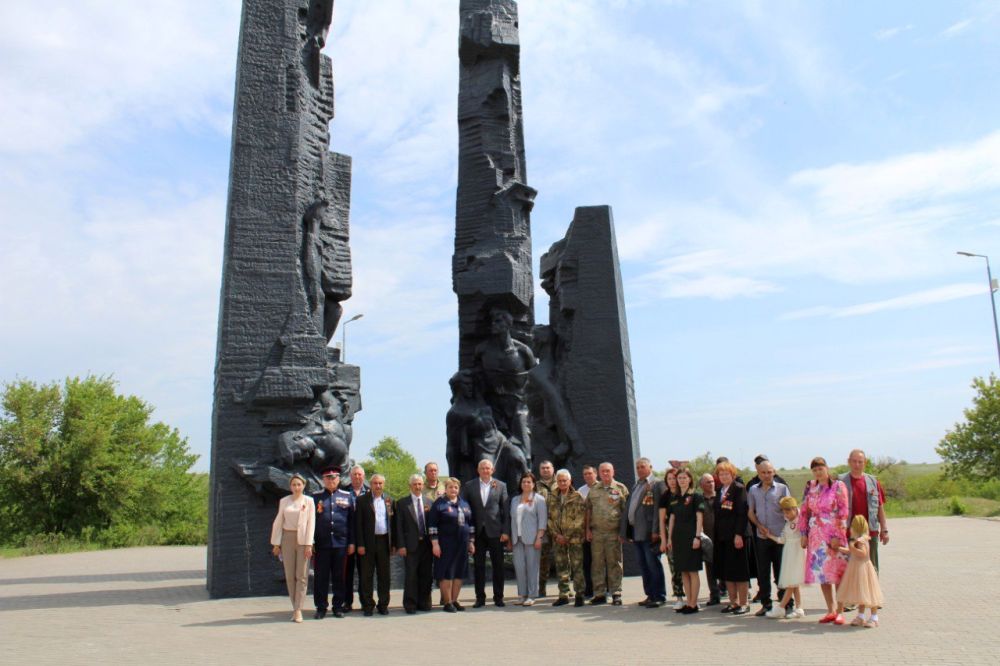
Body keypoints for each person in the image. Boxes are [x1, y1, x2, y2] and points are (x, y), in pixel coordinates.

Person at [799, 456, 850, 625]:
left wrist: (839, 536)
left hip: (834, 534)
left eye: (820, 468)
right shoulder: (811, 487)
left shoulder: (838, 486)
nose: (818, 472)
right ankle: (830, 610)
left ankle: (841, 611)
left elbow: (843, 512)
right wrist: (803, 533)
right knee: (823, 575)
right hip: (816, 536)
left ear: (827, 468)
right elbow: (804, 511)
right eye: (814, 470)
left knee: (837, 573)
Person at [462, 459, 510, 607]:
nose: (485, 470)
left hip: (495, 531)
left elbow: (506, 511)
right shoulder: (470, 486)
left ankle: (498, 597)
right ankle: (480, 598)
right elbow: (465, 509)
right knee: (479, 566)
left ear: (492, 470)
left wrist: (506, 531)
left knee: (498, 566)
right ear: (478, 470)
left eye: (488, 468)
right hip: (477, 532)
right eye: (482, 468)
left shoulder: (501, 486)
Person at [269, 474, 315, 623]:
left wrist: (309, 544)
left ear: (303, 486)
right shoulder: (284, 501)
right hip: (287, 538)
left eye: (299, 484)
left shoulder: (309, 501)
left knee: (301, 575)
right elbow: (278, 522)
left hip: (303, 540)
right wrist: (276, 543)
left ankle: (298, 609)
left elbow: (311, 524)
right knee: (289, 575)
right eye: (294, 485)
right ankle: (294, 607)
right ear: (290, 486)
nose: (296, 487)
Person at [747, 460, 791, 616]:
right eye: (763, 472)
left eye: (769, 472)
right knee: (763, 572)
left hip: (779, 537)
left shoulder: (782, 489)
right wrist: (759, 526)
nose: (766, 475)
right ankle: (766, 603)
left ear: (774, 472)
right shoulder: (753, 490)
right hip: (762, 537)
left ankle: (786, 603)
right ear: (758, 473)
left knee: (781, 572)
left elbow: (790, 511)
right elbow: (751, 512)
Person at [311, 467, 355, 619]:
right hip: (322, 544)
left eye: (334, 477)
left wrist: (351, 543)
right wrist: (311, 542)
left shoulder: (347, 496)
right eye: (328, 477)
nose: (331, 480)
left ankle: (338, 606)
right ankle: (321, 607)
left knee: (339, 577)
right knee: (320, 577)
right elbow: (311, 522)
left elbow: (352, 522)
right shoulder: (315, 497)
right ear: (323, 480)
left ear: (339, 479)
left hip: (341, 544)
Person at [585, 462, 629, 605]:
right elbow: (588, 510)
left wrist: (623, 532)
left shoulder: (620, 488)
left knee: (614, 562)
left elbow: (626, 513)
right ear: (598, 473)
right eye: (602, 471)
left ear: (613, 471)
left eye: (607, 471)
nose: (605, 473)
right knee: (597, 564)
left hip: (613, 533)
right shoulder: (593, 489)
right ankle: (599, 593)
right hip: (597, 533)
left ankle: (616, 592)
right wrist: (587, 530)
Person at [429, 477, 475, 612]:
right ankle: (447, 602)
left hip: (462, 544)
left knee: (459, 573)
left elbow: (470, 524)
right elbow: (432, 525)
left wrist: (471, 542)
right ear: (446, 489)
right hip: (445, 544)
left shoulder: (464, 504)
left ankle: (455, 600)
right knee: (446, 573)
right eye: (450, 487)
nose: (453, 490)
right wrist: (435, 544)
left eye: (456, 487)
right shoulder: (439, 504)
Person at [840, 449, 889, 573]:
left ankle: (872, 592)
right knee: (849, 570)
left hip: (870, 532)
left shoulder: (873, 482)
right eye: (854, 461)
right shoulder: (840, 482)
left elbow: (880, 507)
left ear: (865, 462)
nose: (857, 465)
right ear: (849, 462)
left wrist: (884, 529)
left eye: (860, 462)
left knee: (871, 568)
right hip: (848, 532)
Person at [627, 457, 667, 608]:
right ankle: (650, 594)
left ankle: (659, 595)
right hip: (637, 531)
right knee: (643, 565)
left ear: (650, 466)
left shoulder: (657, 484)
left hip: (650, 532)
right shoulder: (637, 485)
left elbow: (660, 509)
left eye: (642, 466)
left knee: (653, 563)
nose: (639, 469)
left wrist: (656, 530)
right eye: (637, 467)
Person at [665, 469, 705, 614]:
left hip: (691, 537)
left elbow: (700, 517)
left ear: (690, 479)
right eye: (679, 478)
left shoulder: (696, 496)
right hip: (678, 538)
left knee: (692, 571)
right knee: (683, 572)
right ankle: (689, 602)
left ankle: (694, 604)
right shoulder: (675, 497)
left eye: (684, 477)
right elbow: (672, 518)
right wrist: (669, 538)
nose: (681, 480)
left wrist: (697, 536)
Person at [714, 461, 750, 615]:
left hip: (736, 536)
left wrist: (738, 534)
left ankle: (744, 603)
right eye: (721, 474)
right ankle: (733, 602)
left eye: (726, 474)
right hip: (723, 536)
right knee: (727, 571)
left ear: (733, 475)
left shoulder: (739, 489)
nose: (723, 476)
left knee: (739, 570)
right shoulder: (719, 490)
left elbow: (742, 513)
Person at [355, 473, 393, 616]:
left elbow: (392, 524)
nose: (378, 486)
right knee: (366, 575)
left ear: (384, 485)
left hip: (384, 541)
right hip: (367, 542)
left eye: (380, 483)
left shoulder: (389, 500)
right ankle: (368, 605)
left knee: (384, 576)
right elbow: (358, 524)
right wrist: (360, 544)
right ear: (370, 485)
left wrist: (393, 544)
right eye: (375, 483)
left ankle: (383, 604)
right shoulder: (362, 501)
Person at [395, 474, 433, 614]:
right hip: (410, 545)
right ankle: (410, 604)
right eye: (415, 484)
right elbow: (398, 526)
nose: (418, 487)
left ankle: (424, 602)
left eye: (420, 484)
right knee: (411, 575)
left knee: (426, 575)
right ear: (410, 486)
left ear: (423, 485)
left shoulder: (429, 502)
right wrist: (401, 545)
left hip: (427, 545)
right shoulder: (402, 503)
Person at [837, 515, 884, 628]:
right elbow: (852, 551)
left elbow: (863, 553)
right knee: (861, 594)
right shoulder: (857, 540)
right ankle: (861, 616)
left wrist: (852, 547)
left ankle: (874, 617)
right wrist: (840, 549)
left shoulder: (862, 540)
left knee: (869, 594)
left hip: (864, 569)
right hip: (857, 569)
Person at [549, 468, 587, 607]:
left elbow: (580, 518)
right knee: (561, 567)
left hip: (574, 538)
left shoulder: (577, 496)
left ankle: (579, 595)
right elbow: (549, 518)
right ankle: (563, 594)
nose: (562, 483)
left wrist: (567, 535)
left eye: (565, 480)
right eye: (559, 480)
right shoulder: (552, 496)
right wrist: (556, 534)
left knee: (577, 566)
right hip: (558, 539)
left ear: (570, 481)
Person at [509, 472, 547, 606]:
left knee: (532, 567)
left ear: (533, 484)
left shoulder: (539, 499)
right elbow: (512, 520)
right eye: (524, 481)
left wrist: (539, 537)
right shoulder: (514, 499)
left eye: (529, 482)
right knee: (519, 567)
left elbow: (542, 521)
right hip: (517, 538)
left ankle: (531, 595)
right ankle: (522, 594)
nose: (526, 484)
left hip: (532, 539)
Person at [764, 496, 806, 619]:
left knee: (791, 583)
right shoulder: (787, 523)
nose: (785, 514)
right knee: (794, 582)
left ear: (794, 509)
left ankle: (781, 607)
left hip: (797, 553)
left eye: (787, 511)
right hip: (789, 552)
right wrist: (769, 535)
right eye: (784, 511)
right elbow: (782, 539)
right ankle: (799, 608)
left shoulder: (801, 520)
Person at [343, 464, 369, 612]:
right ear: (350, 476)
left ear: (363, 476)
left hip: (365, 540)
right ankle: (347, 602)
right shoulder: (344, 493)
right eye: (354, 475)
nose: (357, 477)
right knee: (348, 573)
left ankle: (365, 601)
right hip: (348, 539)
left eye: (359, 474)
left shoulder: (370, 493)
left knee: (365, 573)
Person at [658, 468, 685, 607]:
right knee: (675, 569)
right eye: (669, 479)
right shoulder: (665, 497)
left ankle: (692, 598)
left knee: (688, 568)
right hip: (670, 537)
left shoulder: (685, 494)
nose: (672, 482)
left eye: (674, 478)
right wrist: (663, 539)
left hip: (686, 535)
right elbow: (662, 521)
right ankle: (679, 596)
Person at [699, 473, 721, 606]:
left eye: (712, 481)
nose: (711, 484)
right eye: (707, 482)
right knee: (710, 567)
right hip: (708, 538)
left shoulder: (721, 497)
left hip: (722, 537)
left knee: (727, 566)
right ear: (701, 485)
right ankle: (714, 594)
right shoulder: (698, 499)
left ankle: (733, 592)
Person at [535, 460, 556, 597]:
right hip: (542, 529)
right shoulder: (535, 486)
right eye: (543, 468)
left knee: (564, 558)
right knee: (543, 559)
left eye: (548, 468)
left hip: (559, 527)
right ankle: (541, 588)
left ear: (553, 469)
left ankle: (565, 588)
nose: (545, 470)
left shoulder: (561, 482)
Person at [578, 464, 598, 598]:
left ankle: (605, 589)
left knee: (601, 562)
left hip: (601, 530)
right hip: (586, 531)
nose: (588, 476)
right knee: (587, 562)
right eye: (585, 474)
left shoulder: (602, 488)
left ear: (595, 474)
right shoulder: (580, 491)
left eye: (590, 473)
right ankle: (589, 589)